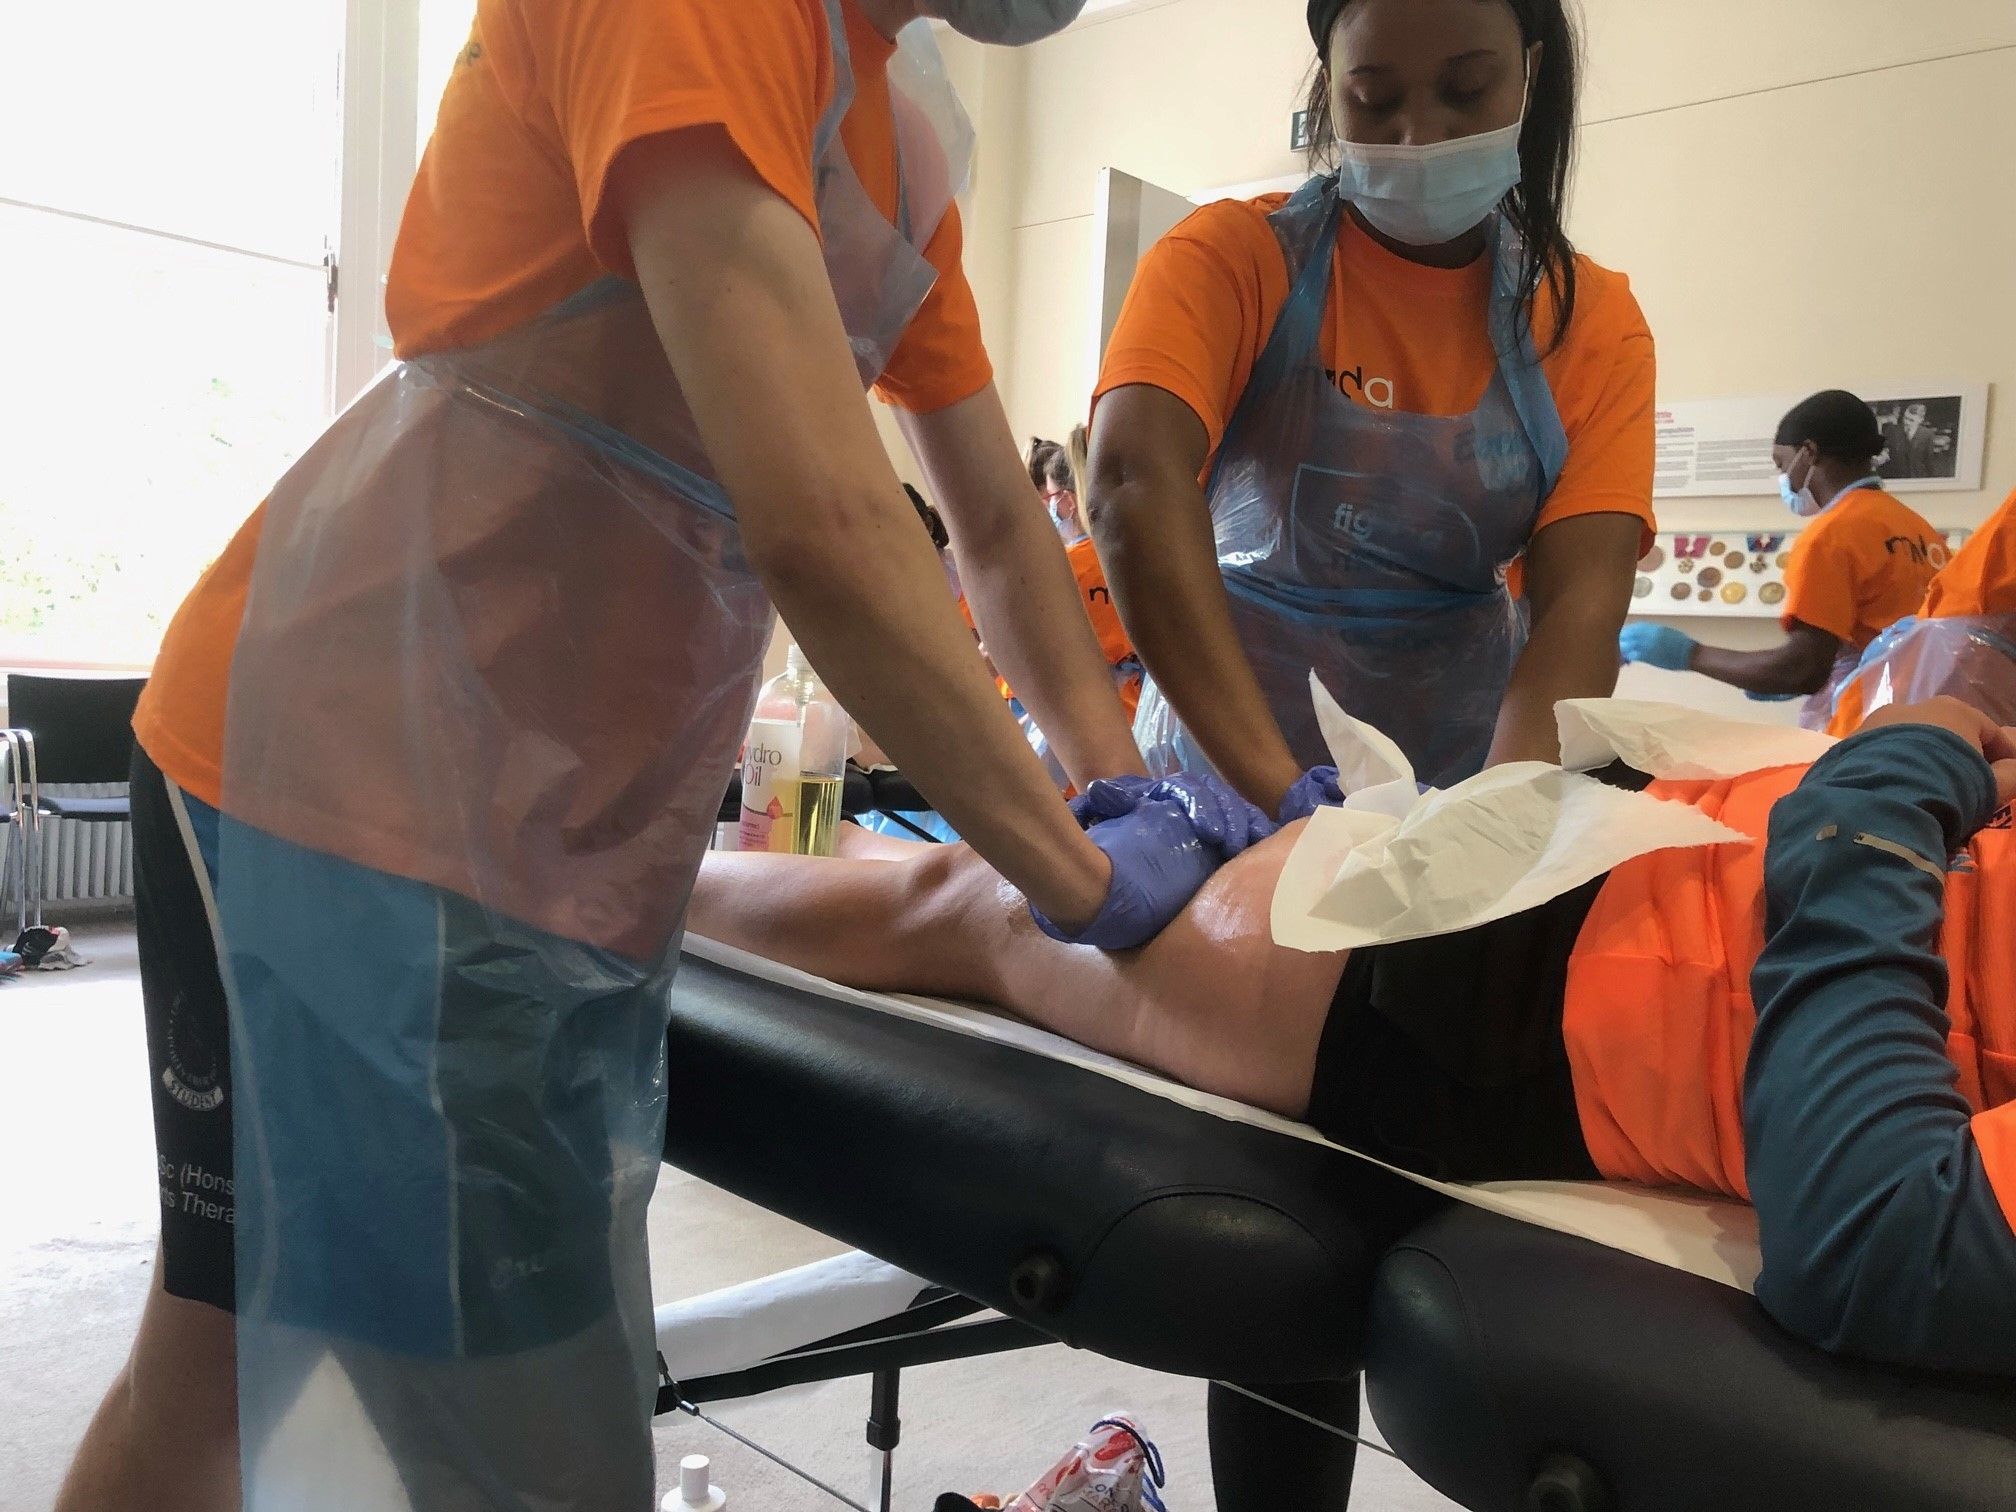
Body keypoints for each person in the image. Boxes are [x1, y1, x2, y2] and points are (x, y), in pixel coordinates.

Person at [57, 4, 1272, 1510]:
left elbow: (1005, 531)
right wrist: (1083, 878)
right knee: (517, 1445)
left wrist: (1116, 785)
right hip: (350, 793)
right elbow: (828, 532)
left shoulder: (886, 136)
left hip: (536, 826)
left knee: (219, 1357)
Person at [691, 695, 2016, 1398]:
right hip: (1590, 857)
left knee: (967, 909)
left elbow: (1879, 1238)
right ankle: (707, 834)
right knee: (970, 866)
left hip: (1513, 982)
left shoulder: (1875, 819)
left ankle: (605, 886)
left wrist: (1883, 790)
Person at [1087, 0, 1656, 819]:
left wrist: (1489, 830)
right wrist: (1281, 795)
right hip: (1217, 783)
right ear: (1328, 90)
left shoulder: (1586, 321)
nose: (1417, 137)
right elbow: (1131, 485)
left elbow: (1580, 608)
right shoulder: (1229, 260)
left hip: (1461, 781)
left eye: (1466, 90)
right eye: (1375, 99)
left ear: (1530, 71)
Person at [1621, 390, 1942, 728]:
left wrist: (1688, 653)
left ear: (1808, 453)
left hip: (1866, 726)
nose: (1783, 478)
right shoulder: (1919, 530)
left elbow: (1802, 670)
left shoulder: (1832, 535)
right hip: (1927, 720)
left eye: (1781, 463)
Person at [1829, 483, 2016, 734]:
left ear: (1809, 453)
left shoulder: (1833, 532)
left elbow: (1805, 663)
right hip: (1917, 688)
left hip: (1924, 691)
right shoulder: (1911, 524)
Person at [1881, 400, 1951, 481]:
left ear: (1921, 420)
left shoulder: (1927, 434)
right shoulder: (1892, 430)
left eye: (1911, 420)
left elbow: (1928, 460)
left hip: (1917, 478)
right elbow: (1884, 450)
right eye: (1905, 418)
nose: (1906, 422)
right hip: (1895, 478)